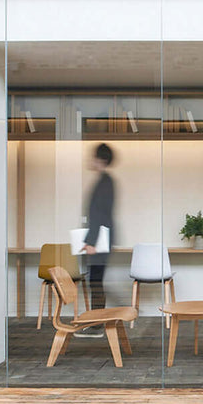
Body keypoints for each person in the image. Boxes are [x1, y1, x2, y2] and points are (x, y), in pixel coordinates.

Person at [77, 143, 114, 337]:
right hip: (100, 238)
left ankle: (98, 323)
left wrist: (91, 242)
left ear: (101, 160)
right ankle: (97, 321)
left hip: (100, 240)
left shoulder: (105, 182)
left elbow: (99, 215)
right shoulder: (104, 181)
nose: (90, 160)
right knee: (96, 280)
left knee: (96, 281)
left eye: (93, 157)